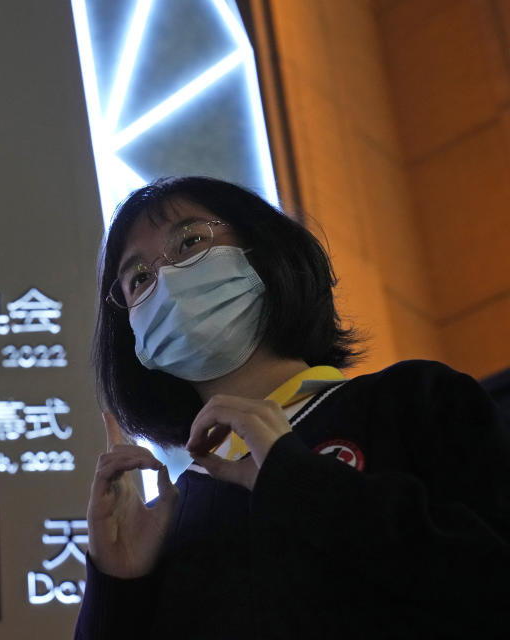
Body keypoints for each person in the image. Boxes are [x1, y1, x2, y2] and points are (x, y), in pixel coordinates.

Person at [74, 177, 510, 638]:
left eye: (191, 241)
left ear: (263, 249)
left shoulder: (412, 400)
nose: (166, 279)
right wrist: (117, 588)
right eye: (139, 278)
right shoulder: (171, 515)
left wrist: (298, 481)